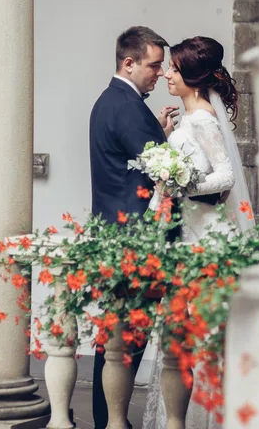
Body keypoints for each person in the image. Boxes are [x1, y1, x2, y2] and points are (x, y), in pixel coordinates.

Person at [142, 36, 255, 429]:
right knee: (179, 337)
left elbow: (224, 175)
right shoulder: (189, 118)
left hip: (207, 240)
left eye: (173, 68)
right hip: (184, 235)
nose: (168, 74)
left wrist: (183, 184)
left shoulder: (205, 118)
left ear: (192, 76)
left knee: (205, 338)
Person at [89, 25, 179, 429]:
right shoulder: (126, 106)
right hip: (134, 238)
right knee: (125, 341)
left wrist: (158, 133)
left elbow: (137, 158)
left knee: (116, 339)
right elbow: (164, 166)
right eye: (154, 66)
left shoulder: (112, 101)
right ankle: (110, 419)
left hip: (114, 231)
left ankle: (107, 417)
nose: (159, 74)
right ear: (129, 63)